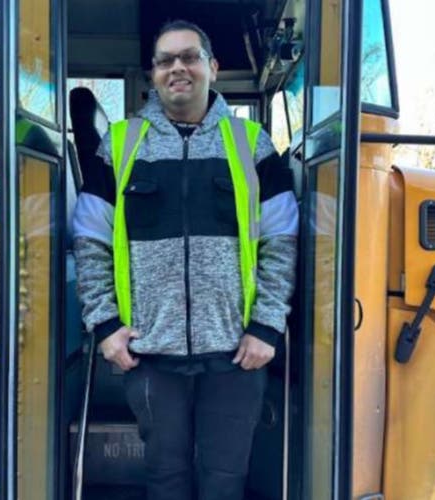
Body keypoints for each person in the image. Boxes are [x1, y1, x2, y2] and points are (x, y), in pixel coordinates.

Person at [73, 19, 298, 500]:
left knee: (224, 484)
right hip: (151, 356)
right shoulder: (117, 145)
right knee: (166, 483)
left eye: (190, 57)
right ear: (153, 75)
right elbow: (89, 240)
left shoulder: (252, 143)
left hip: (236, 354)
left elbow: (281, 240)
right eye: (165, 60)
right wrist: (105, 325)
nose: (178, 68)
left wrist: (266, 326)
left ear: (212, 68)